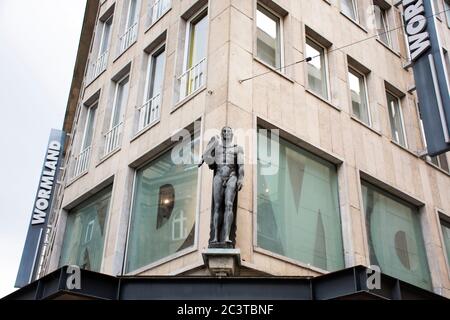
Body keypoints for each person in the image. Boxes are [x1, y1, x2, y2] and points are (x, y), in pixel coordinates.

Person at [199, 127, 244, 247]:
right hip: (219, 175)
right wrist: (207, 153)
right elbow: (209, 160)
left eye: (228, 131)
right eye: (224, 131)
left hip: (232, 176)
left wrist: (241, 178)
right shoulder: (217, 147)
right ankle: (214, 237)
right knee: (217, 206)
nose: (226, 133)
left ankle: (227, 237)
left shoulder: (237, 148)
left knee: (229, 204)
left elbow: (240, 166)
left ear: (232, 133)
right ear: (221, 133)